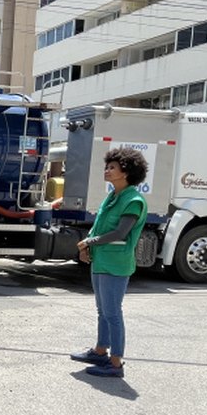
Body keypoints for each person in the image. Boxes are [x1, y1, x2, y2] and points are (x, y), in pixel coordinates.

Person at [69, 147, 150, 378]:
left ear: (126, 172)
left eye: (112, 167)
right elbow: (100, 225)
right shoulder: (113, 196)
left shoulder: (133, 200)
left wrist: (89, 241)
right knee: (102, 311)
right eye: (107, 166)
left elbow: (120, 233)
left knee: (113, 313)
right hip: (102, 260)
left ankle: (115, 364)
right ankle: (100, 351)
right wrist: (88, 248)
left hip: (116, 264)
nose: (107, 170)